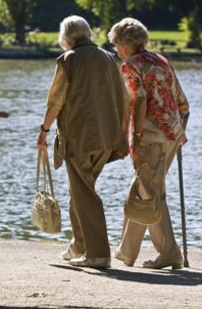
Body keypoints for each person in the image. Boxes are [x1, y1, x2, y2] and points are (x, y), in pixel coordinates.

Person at [37, 15, 129, 268]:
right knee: (80, 191)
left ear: (66, 37)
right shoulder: (108, 58)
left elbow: (55, 101)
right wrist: (122, 136)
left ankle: (98, 254)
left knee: (85, 194)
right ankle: (79, 245)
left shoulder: (69, 60)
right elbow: (123, 98)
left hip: (79, 137)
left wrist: (44, 130)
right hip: (106, 138)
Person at [108, 17, 190, 269]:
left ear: (126, 44)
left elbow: (138, 102)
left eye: (116, 45)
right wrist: (178, 130)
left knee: (148, 192)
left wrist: (134, 137)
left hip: (150, 137)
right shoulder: (161, 61)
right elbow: (182, 102)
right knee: (146, 190)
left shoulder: (131, 66)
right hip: (172, 134)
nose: (115, 51)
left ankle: (169, 253)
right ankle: (127, 252)